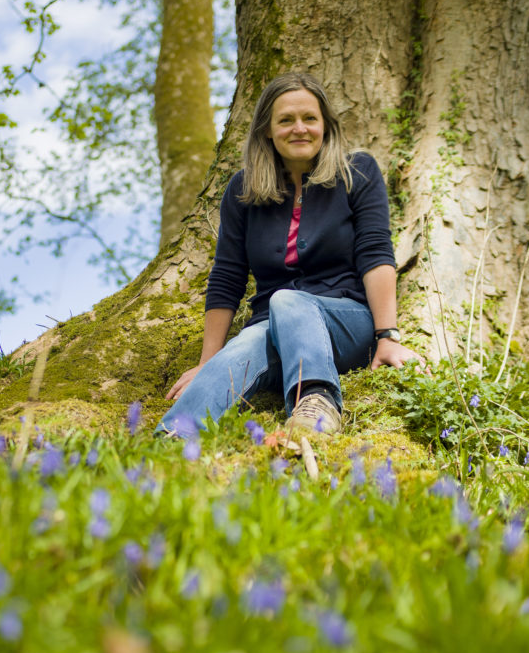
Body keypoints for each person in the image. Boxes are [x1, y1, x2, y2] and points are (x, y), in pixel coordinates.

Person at [158, 71, 421, 436]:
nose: (299, 128)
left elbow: (376, 254)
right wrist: (207, 362)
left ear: (325, 125)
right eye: (286, 120)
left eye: (309, 118)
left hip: (345, 324)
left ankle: (316, 403)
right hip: (271, 327)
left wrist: (387, 336)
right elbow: (227, 276)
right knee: (248, 341)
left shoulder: (357, 173)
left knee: (288, 300)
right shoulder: (242, 191)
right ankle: (171, 440)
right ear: (268, 129)